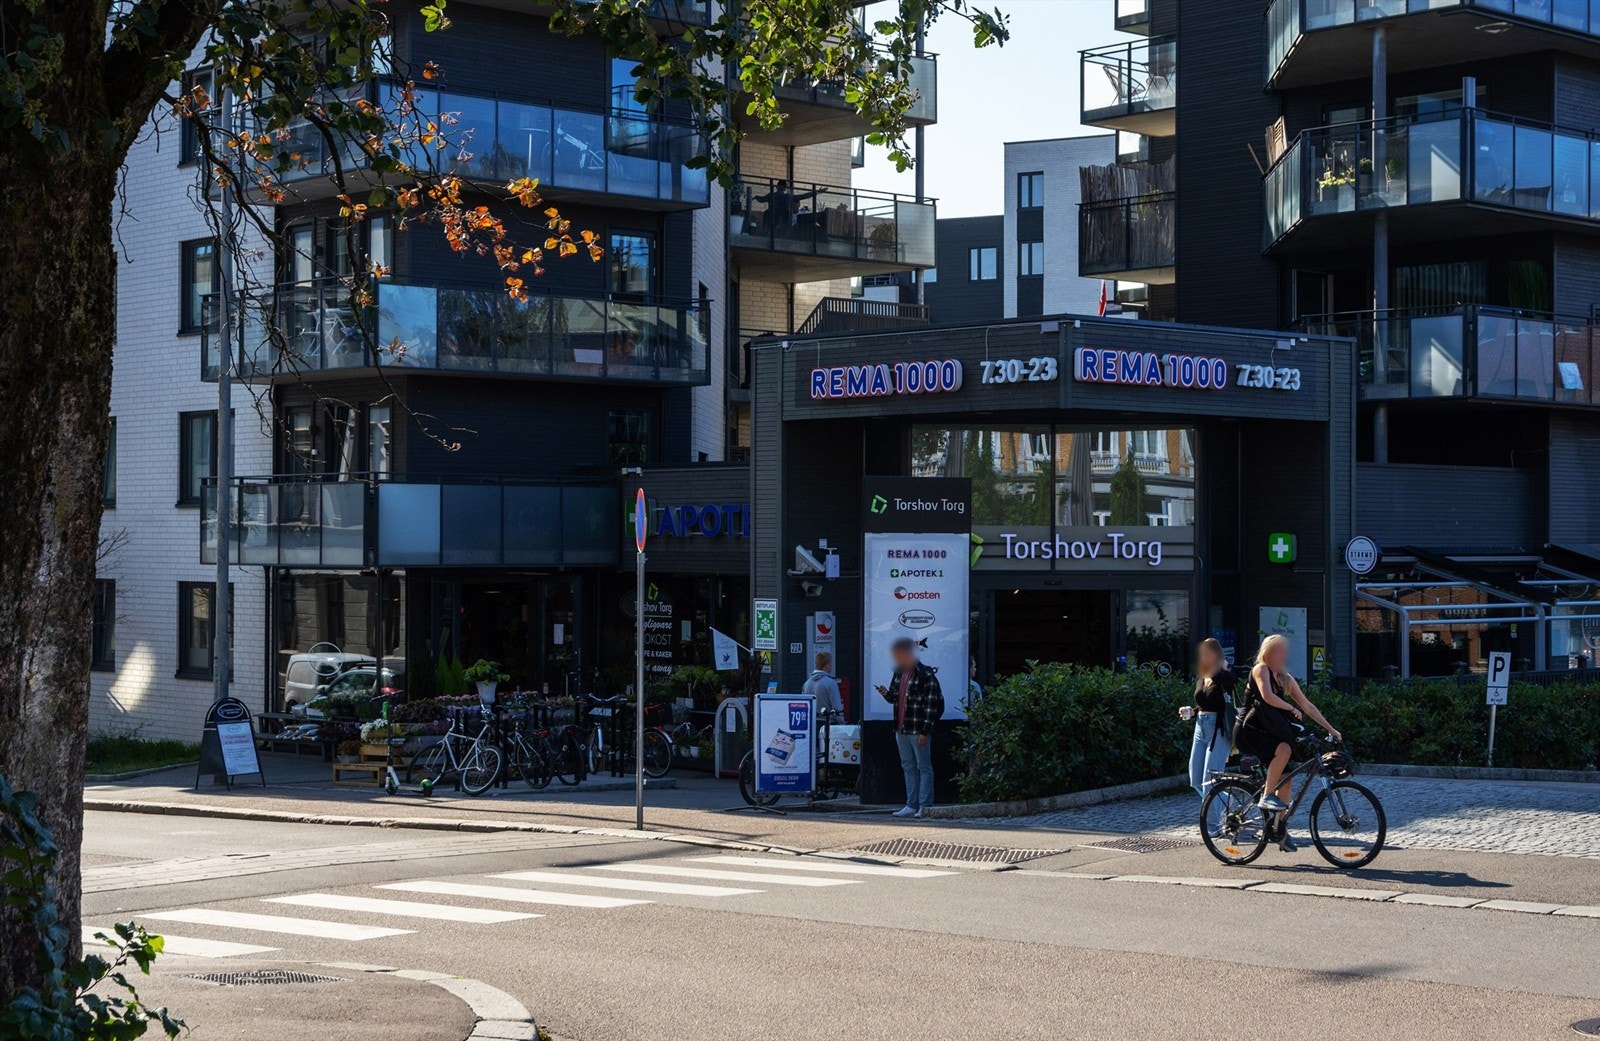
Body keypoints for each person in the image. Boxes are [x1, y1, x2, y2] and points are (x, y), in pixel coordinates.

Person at [1235, 633, 1341, 852]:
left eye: (1285, 650)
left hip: (1269, 733)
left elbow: (1308, 706)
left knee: (1287, 780)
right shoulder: (1260, 669)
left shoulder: (1285, 677)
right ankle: (1266, 797)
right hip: (1249, 731)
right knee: (1284, 749)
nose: (1285, 654)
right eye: (1281, 649)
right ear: (1270, 651)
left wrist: (1330, 728)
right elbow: (1266, 696)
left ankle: (1278, 829)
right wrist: (1291, 708)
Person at [875, 637, 943, 819]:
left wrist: (925, 731)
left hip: (917, 729)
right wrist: (886, 694)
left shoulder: (926, 674)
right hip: (901, 728)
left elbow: (931, 705)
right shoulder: (898, 672)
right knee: (908, 766)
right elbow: (894, 698)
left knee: (923, 767)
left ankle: (924, 805)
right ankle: (911, 804)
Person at [1181, 638, 1234, 799]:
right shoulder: (1201, 677)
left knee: (1210, 781)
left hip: (1218, 728)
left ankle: (1212, 824)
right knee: (1195, 779)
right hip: (1200, 726)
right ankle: (1226, 801)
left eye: (1208, 653)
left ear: (1217, 654)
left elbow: (1226, 690)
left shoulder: (1224, 675)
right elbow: (1205, 703)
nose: (1203, 657)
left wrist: (1220, 667)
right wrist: (1193, 711)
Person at [802, 651, 844, 718]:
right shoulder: (831, 683)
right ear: (827, 665)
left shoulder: (806, 684)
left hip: (812, 724)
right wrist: (842, 723)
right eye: (831, 663)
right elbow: (837, 709)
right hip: (828, 724)